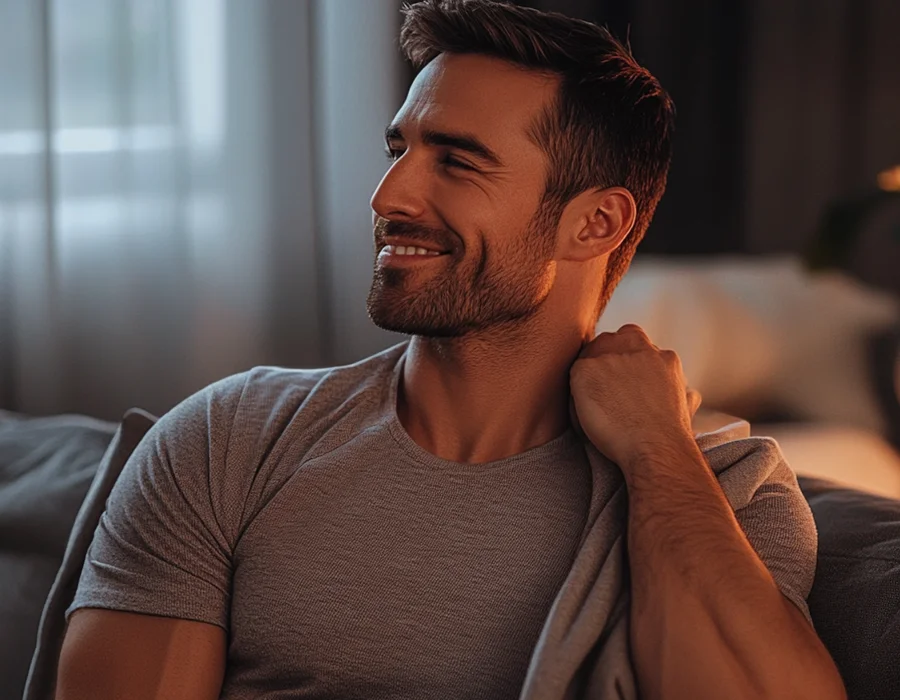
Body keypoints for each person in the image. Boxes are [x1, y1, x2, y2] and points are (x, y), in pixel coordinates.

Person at [56, 1, 846, 698]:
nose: (388, 196)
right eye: (400, 148)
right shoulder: (227, 439)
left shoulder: (728, 493)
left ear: (596, 224)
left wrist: (654, 451)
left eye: (458, 162)